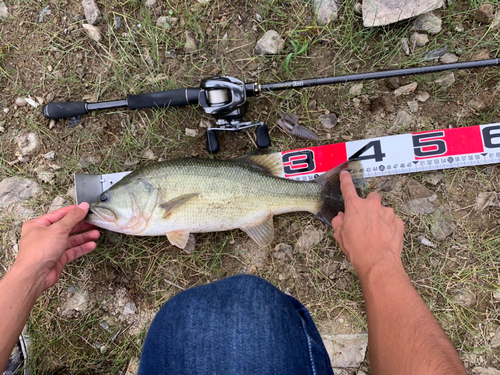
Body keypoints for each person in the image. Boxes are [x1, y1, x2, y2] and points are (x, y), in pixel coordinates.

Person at [0, 172, 467, 374]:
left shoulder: (153, 196)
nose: (98, 210)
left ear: (145, 197)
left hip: (253, 197)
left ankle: (315, 197)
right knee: (231, 309)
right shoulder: (150, 204)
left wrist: (26, 271)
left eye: (105, 203)